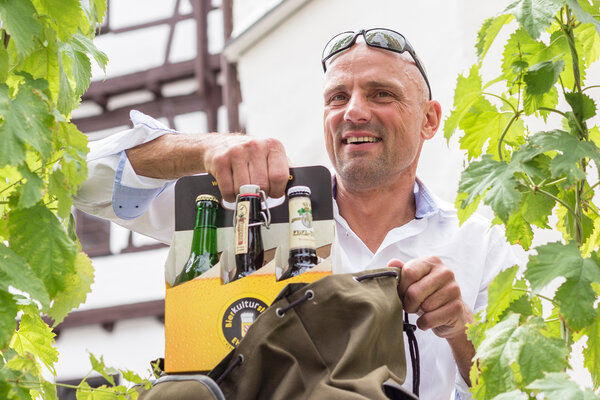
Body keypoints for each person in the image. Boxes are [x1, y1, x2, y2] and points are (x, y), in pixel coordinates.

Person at [74, 28, 522, 400]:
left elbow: (513, 390)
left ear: (429, 119)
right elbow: (82, 182)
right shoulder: (247, 211)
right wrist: (204, 148)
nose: (355, 112)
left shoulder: (478, 242)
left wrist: (460, 328)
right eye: (337, 97)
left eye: (382, 94)